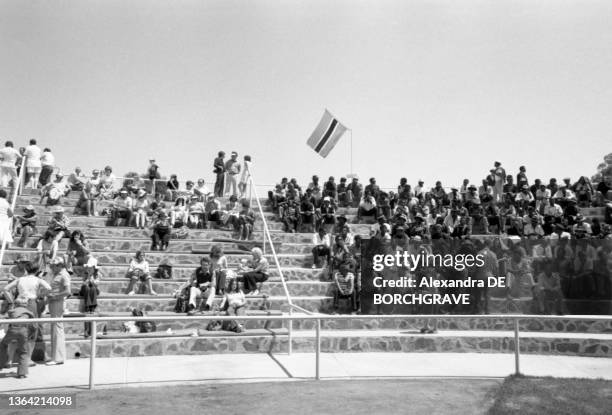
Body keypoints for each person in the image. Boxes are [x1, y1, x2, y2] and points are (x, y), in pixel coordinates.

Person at [46, 257, 71, 365]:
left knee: (57, 328)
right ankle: (56, 356)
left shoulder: (63, 275)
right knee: (55, 328)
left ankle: (57, 358)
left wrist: (55, 296)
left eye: (54, 265)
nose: (52, 267)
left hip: (57, 302)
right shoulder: (56, 274)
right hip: (54, 302)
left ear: (60, 265)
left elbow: (67, 291)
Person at [0, 303, 36, 378]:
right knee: (24, 352)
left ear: (16, 304)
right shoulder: (29, 312)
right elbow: (34, 326)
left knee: (3, 345)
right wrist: (30, 336)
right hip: (23, 331)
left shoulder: (12, 311)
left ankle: (2, 363)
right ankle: (22, 373)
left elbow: (3, 317)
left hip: (13, 330)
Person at [80, 258, 101, 337]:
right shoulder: (85, 273)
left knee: (92, 288)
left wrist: (91, 280)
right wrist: (88, 277)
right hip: (85, 289)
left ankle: (91, 305)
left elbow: (96, 283)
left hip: (93, 289)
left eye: (91, 267)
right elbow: (83, 284)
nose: (89, 268)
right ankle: (90, 306)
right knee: (88, 288)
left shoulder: (98, 274)